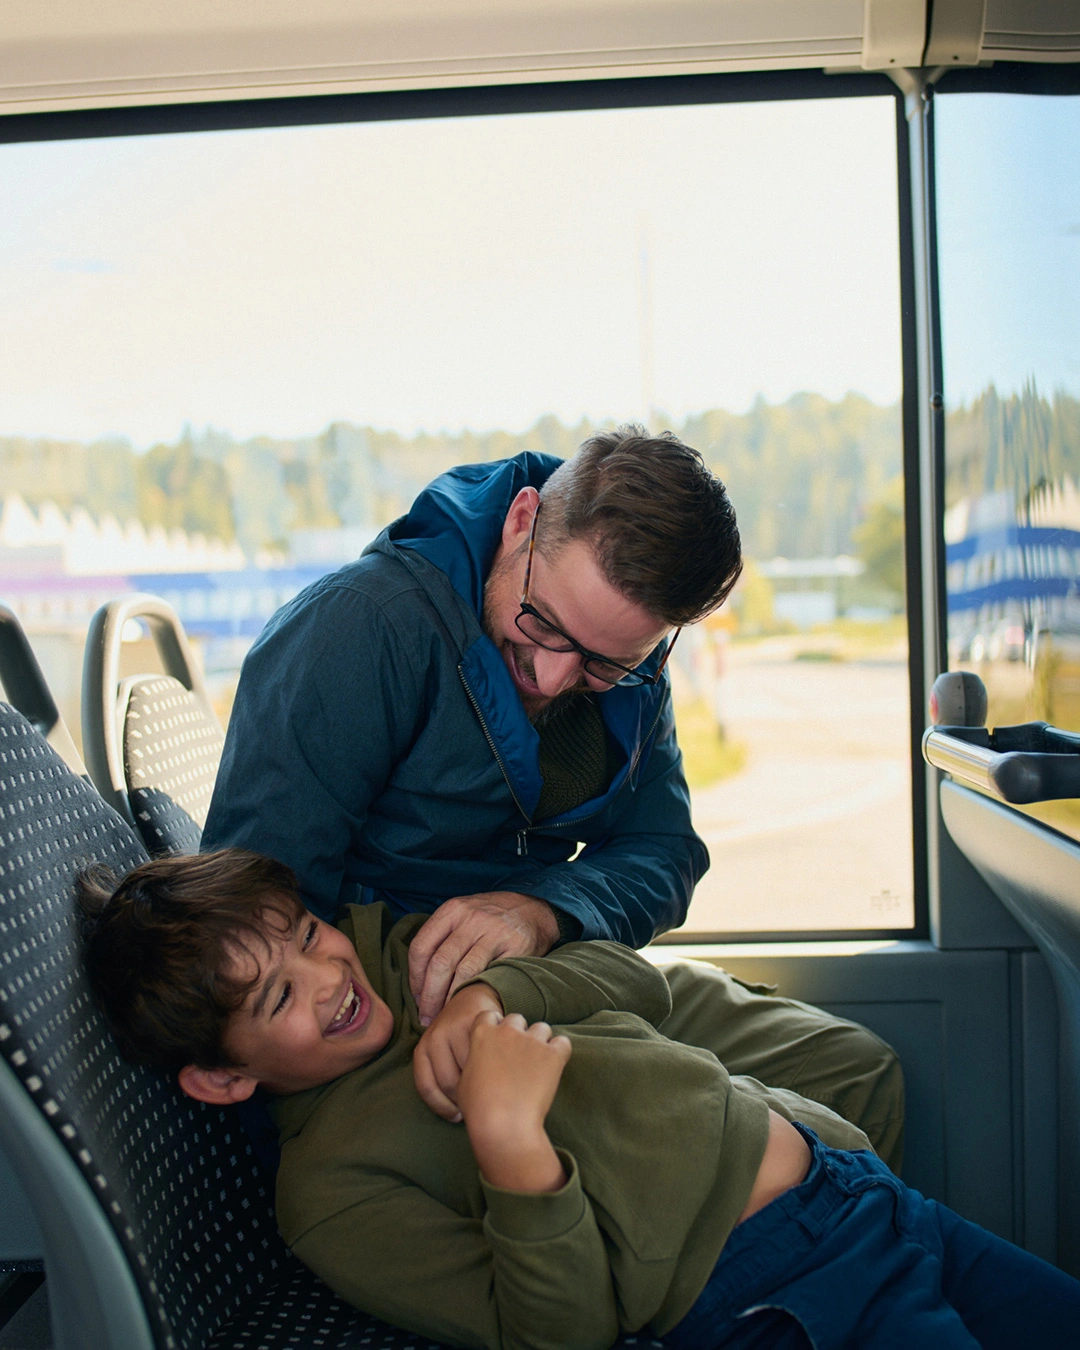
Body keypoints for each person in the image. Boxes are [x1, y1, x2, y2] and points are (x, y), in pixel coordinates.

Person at [201, 427, 903, 1167]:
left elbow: (663, 853)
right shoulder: (357, 632)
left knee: (857, 1074)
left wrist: (544, 909)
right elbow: (253, 916)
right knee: (749, 1152)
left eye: (605, 662)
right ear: (520, 521)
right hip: (406, 1007)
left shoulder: (632, 672)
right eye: (542, 625)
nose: (554, 677)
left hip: (554, 969)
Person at [78, 849, 1080, 1350]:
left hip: (864, 1199)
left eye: (306, 934)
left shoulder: (416, 959)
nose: (329, 977)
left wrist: (494, 990)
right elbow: (547, 1331)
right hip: (779, 1294)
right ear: (224, 1077)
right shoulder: (334, 1192)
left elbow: (634, 983)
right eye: (277, 997)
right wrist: (512, 1149)